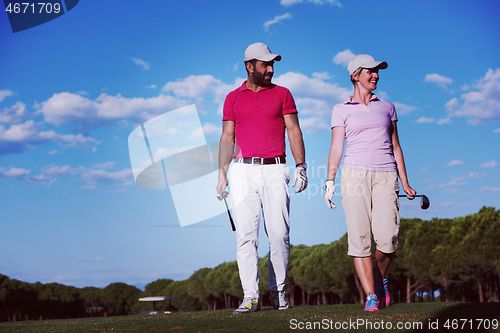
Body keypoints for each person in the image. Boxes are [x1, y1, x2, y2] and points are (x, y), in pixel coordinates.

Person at [216, 42, 307, 314]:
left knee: (279, 235)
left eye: (272, 64)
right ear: (249, 66)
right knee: (246, 237)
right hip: (243, 170)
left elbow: (293, 130)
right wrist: (221, 175)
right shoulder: (233, 97)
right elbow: (227, 137)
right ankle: (250, 296)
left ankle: (278, 290)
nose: (270, 69)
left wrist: (301, 165)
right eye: (265, 64)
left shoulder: (283, 94)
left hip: (276, 168)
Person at [324, 54, 416, 311]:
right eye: (370, 71)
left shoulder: (387, 107)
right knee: (360, 237)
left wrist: (405, 183)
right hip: (354, 175)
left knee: (387, 239)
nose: (375, 74)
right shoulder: (340, 109)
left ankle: (381, 276)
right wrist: (329, 181)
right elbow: (336, 147)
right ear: (355, 75)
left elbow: (396, 147)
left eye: (377, 71)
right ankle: (371, 295)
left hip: (386, 174)